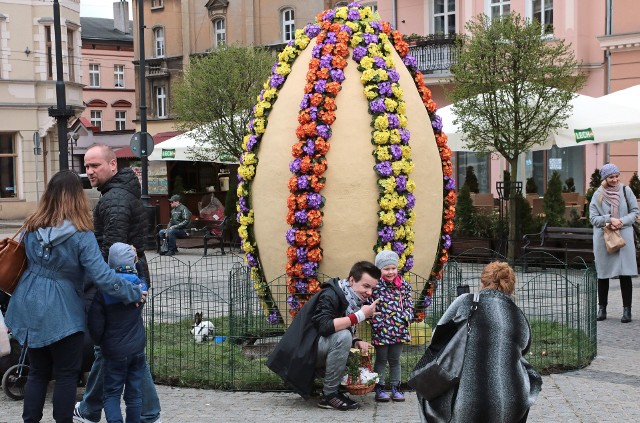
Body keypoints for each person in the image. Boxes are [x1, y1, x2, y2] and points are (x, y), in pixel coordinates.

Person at [4, 170, 145, 423]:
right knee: (67, 375)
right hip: (63, 311)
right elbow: (102, 276)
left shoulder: (31, 225)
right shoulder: (81, 235)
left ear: (49, 195)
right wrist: (132, 291)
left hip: (29, 305)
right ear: (77, 198)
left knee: (37, 372)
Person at [76, 144, 161, 423]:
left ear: (113, 165)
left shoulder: (113, 200)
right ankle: (147, 411)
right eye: (86, 166)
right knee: (129, 346)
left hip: (119, 281)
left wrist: (100, 284)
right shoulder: (120, 193)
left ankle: (91, 409)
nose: (89, 171)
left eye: (95, 165)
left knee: (110, 346)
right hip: (130, 279)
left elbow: (111, 249)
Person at [417, 262, 542, 423]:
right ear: (511, 287)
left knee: (427, 389)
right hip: (512, 401)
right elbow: (525, 347)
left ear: (482, 282)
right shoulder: (517, 315)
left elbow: (436, 338)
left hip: (467, 401)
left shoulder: (465, 301)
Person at [267, 261, 381, 411]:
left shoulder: (350, 297)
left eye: (372, 288)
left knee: (349, 343)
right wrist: (360, 315)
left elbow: (342, 327)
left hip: (311, 348)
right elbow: (326, 327)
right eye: (366, 286)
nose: (369, 292)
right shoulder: (331, 294)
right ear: (352, 280)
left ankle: (332, 388)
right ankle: (329, 395)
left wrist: (356, 341)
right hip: (301, 353)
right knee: (343, 338)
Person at [88, 243, 148, 423]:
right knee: (134, 395)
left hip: (114, 351)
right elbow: (144, 277)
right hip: (137, 349)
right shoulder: (140, 287)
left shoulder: (105, 290)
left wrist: (99, 341)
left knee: (112, 394)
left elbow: (96, 324)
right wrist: (137, 262)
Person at [589, 163, 638, 323]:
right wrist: (609, 219)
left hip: (623, 237)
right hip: (604, 237)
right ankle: (602, 309)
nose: (615, 179)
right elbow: (593, 218)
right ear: (605, 178)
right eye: (611, 177)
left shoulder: (626, 190)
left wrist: (621, 221)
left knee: (625, 274)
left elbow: (635, 212)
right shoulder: (597, 195)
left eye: (617, 176)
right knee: (603, 274)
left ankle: (627, 310)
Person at [370, 250, 414, 403]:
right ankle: (379, 387)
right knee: (381, 360)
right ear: (379, 270)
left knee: (395, 360)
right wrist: (374, 320)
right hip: (381, 330)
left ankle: (396, 387)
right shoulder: (375, 286)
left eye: (393, 268)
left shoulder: (404, 286)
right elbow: (368, 305)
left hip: (399, 329)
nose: (390, 272)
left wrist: (407, 317)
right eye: (386, 269)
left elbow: (409, 304)